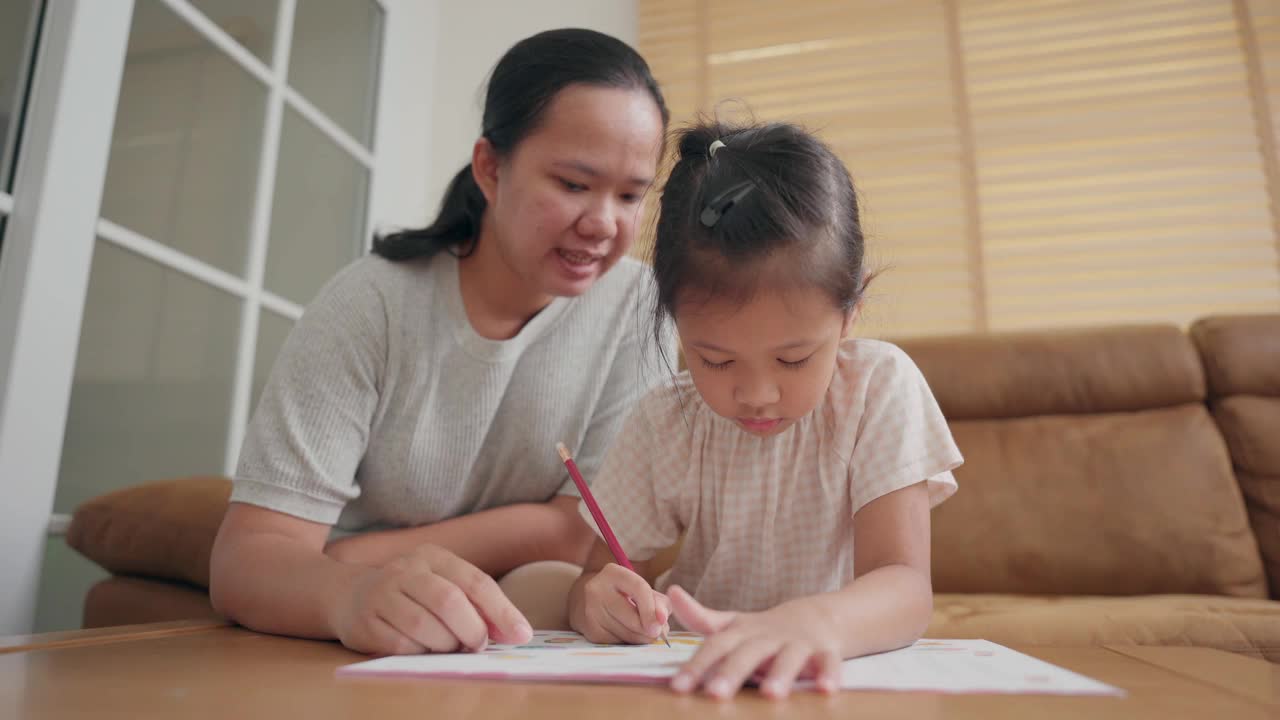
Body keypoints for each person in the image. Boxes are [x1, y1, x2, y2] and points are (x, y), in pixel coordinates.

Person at [210, 28, 671, 656]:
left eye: (630, 195)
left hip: (507, 620)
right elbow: (246, 561)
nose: (602, 224)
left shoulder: (638, 306)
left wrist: (362, 553)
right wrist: (351, 589)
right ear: (490, 166)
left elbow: (577, 534)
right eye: (571, 184)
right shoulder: (371, 306)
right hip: (367, 628)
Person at [566, 120, 963, 699]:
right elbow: (594, 579)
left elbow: (904, 586)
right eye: (716, 361)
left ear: (850, 311)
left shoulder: (878, 388)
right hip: (701, 688)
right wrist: (598, 603)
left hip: (833, 686)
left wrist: (812, 623)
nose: (756, 394)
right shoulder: (666, 419)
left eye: (795, 359)